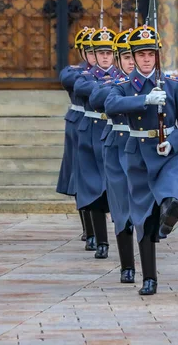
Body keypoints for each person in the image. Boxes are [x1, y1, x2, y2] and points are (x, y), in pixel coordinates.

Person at [105, 25, 178, 295]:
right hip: (138, 155)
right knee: (144, 217)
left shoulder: (172, 85)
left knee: (170, 200)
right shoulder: (123, 86)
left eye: (151, 54)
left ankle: (168, 218)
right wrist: (143, 99)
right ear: (133, 57)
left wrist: (173, 142)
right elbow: (111, 106)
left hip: (167, 153)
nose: (147, 59)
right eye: (141, 54)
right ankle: (150, 278)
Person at [89, 28, 135, 283]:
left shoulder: (159, 83)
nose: (131, 61)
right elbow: (97, 98)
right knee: (121, 208)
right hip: (118, 147)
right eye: (126, 57)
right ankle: (127, 264)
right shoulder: (112, 84)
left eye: (134, 57)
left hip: (147, 150)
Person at [74, 27, 122, 259]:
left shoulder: (122, 75)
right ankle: (99, 239)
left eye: (108, 53)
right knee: (93, 187)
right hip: (90, 134)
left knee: (115, 185)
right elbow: (82, 88)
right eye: (100, 52)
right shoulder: (85, 75)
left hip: (113, 133)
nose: (104, 57)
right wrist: (108, 86)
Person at [58, 27, 96, 248]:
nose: (95, 56)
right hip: (79, 125)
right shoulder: (75, 72)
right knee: (80, 178)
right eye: (90, 52)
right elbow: (69, 80)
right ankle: (88, 228)